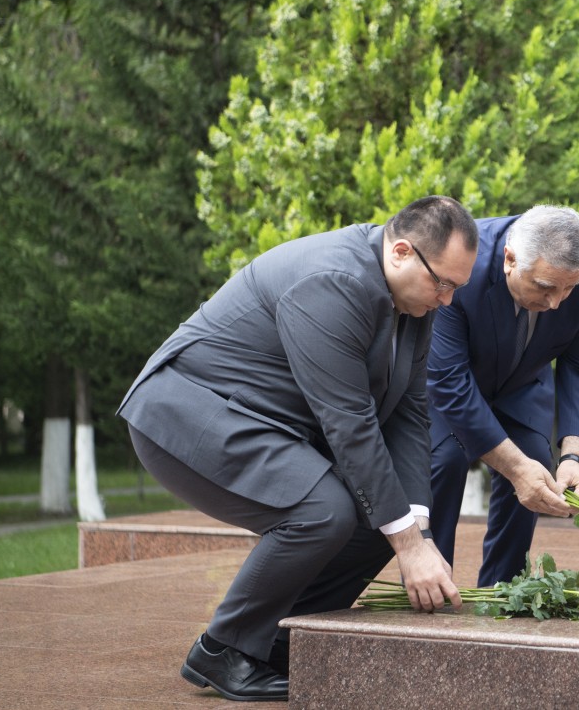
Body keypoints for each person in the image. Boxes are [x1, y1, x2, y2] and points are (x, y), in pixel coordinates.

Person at [116, 195, 478, 702]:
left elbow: (409, 415)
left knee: (388, 517)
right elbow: (349, 422)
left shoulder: (414, 303)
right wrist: (411, 546)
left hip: (265, 423)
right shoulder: (334, 282)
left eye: (455, 288)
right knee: (322, 510)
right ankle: (222, 650)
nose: (446, 300)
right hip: (189, 412)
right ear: (400, 251)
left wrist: (413, 529)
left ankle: (281, 642)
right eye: (442, 283)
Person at [426, 205, 579, 587]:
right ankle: (429, 587)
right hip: (451, 381)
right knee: (444, 462)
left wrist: (574, 457)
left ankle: (501, 592)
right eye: (544, 287)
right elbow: (448, 381)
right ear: (510, 259)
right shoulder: (463, 264)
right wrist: (514, 467)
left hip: (522, 380)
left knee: (535, 467)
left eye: (569, 289)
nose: (557, 302)